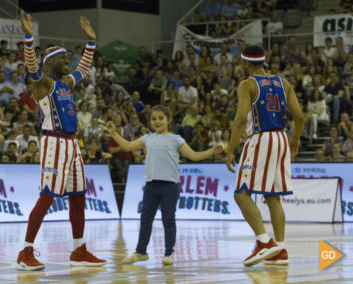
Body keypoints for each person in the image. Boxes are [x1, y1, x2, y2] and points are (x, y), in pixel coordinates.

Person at [16, 10, 106, 270]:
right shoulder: (43, 83)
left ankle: (78, 250)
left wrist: (91, 43)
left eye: (69, 58)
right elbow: (32, 65)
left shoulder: (67, 82)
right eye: (64, 59)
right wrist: (29, 37)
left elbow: (83, 69)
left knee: (78, 196)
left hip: (72, 144)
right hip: (53, 142)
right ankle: (25, 251)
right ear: (50, 63)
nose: (69, 62)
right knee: (47, 196)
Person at [106, 105, 222, 265]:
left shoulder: (176, 139)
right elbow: (127, 146)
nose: (157, 121)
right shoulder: (147, 138)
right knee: (145, 220)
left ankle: (169, 254)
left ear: (168, 120)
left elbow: (194, 156)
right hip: (151, 186)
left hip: (170, 186)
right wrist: (113, 133)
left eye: (161, 118)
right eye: (154, 118)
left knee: (168, 219)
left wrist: (211, 151)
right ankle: (140, 252)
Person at [226, 45, 304, 266]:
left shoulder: (247, 84)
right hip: (281, 138)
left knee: (241, 194)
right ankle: (280, 249)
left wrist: (230, 150)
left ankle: (263, 242)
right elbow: (299, 115)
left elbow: (241, 119)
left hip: (261, 138)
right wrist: (296, 137)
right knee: (273, 196)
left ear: (246, 63)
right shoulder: (284, 83)